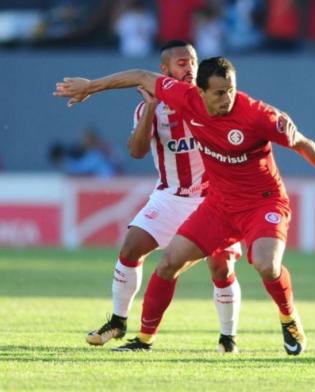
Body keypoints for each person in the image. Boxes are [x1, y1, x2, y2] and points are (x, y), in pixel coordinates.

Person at [54, 56, 315, 355]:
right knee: (168, 264)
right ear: (201, 93)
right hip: (219, 206)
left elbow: (303, 143)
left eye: (231, 90)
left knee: (266, 265)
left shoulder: (257, 115)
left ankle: (289, 317)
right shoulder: (185, 98)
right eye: (220, 93)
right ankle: (144, 339)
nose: (227, 98)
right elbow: (140, 75)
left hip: (262, 203)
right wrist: (91, 87)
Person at [82, 41, 243, 353]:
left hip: (213, 199)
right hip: (171, 195)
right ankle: (118, 320)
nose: (189, 68)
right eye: (181, 63)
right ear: (165, 69)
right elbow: (137, 151)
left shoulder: (214, 99)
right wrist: (152, 109)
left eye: (193, 61)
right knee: (131, 247)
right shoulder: (148, 108)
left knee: (221, 267)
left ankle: (228, 338)